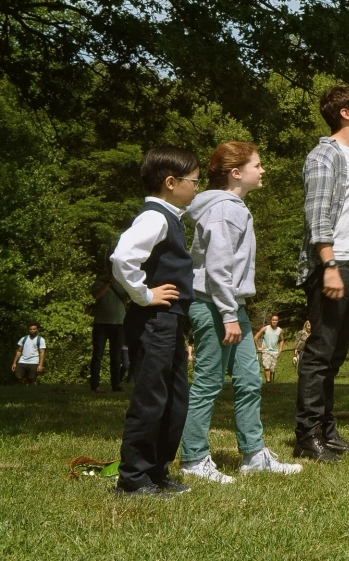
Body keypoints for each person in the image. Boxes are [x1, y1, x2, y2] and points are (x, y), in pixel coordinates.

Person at [180, 142, 302, 483]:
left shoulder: (231, 207)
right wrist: (228, 314)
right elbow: (218, 268)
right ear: (236, 173)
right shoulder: (225, 210)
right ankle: (193, 458)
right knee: (208, 381)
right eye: (257, 165)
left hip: (232, 306)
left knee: (250, 380)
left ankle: (253, 455)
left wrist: (234, 311)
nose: (262, 171)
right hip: (214, 305)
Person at [108, 146, 200, 496]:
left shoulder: (170, 217)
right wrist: (145, 295)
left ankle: (156, 473)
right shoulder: (155, 218)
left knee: (175, 399)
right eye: (193, 181)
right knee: (151, 398)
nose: (196, 187)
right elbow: (122, 258)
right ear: (171, 182)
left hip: (170, 321)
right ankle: (133, 478)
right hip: (153, 321)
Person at [294, 85, 349, 463]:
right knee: (320, 352)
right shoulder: (324, 156)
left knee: (336, 353)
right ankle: (307, 436)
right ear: (345, 113)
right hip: (332, 264)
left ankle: (327, 432)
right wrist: (329, 265)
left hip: (348, 262)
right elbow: (318, 216)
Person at [89, 279, 128, 391]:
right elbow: (96, 295)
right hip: (101, 323)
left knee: (116, 356)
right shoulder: (99, 282)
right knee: (97, 354)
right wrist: (109, 282)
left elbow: (131, 296)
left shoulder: (123, 282)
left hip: (119, 323)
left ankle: (115, 385)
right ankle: (95, 384)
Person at [255, 314, 285, 383]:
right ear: (270, 320)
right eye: (273, 320)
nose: (274, 321)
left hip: (274, 352)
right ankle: (268, 381)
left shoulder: (280, 330)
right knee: (267, 366)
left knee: (271, 369)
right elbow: (256, 337)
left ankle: (268, 382)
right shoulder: (265, 328)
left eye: (276, 320)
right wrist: (258, 347)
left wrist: (280, 350)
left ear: (278, 321)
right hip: (266, 351)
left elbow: (282, 340)